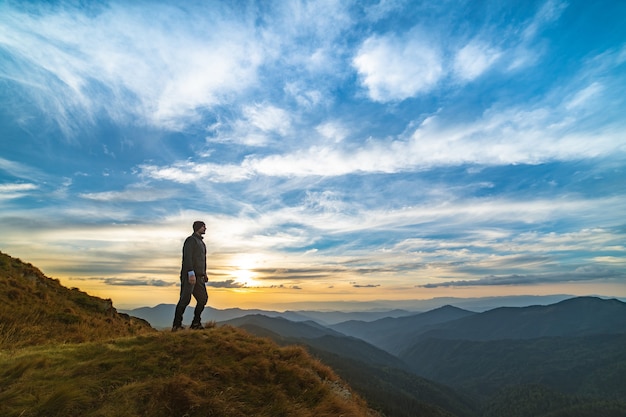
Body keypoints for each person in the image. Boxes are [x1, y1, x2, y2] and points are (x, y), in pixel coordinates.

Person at [172, 221, 209, 331]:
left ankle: (196, 323)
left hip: (199, 276)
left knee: (203, 299)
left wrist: (204, 273)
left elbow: (202, 260)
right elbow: (187, 257)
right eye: (203, 226)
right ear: (198, 228)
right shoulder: (190, 240)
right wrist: (190, 273)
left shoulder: (201, 243)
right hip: (190, 275)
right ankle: (176, 325)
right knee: (185, 299)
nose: (205, 228)